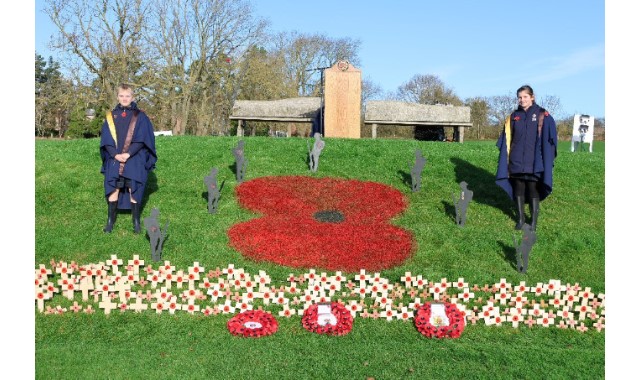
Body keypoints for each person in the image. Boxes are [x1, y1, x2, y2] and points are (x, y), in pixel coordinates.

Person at [495, 85, 557, 231]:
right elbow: (505, 140)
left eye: (525, 97)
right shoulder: (513, 117)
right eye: (519, 97)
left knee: (533, 188)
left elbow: (551, 139)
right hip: (516, 159)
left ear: (532, 97)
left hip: (534, 160)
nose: (522, 100)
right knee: (518, 188)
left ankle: (534, 221)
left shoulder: (543, 115)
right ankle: (521, 219)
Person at [100, 84, 157, 233]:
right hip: (115, 156)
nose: (124, 99)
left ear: (132, 97)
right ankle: (110, 221)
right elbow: (106, 139)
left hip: (134, 155)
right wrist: (115, 154)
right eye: (121, 96)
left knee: (134, 182)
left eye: (127, 96)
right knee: (112, 182)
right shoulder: (110, 116)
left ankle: (136, 221)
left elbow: (143, 138)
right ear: (117, 97)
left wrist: (128, 154)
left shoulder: (141, 116)